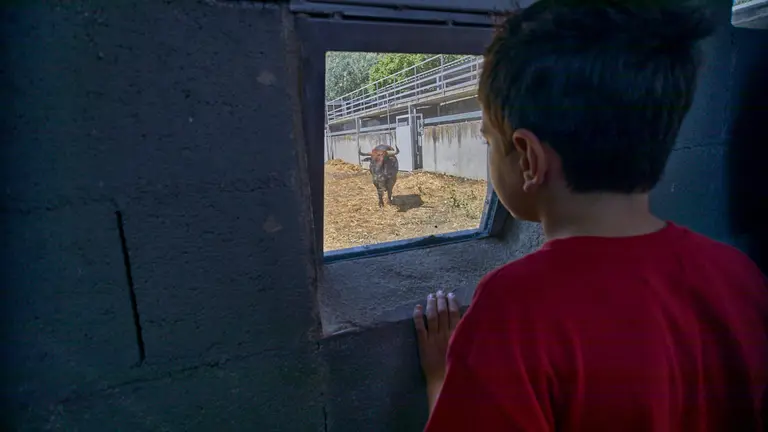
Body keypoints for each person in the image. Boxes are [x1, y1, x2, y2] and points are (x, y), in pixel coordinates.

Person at [412, 1, 768, 431]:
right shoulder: (739, 277)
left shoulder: (513, 311)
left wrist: (443, 380)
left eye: (488, 139)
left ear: (528, 158)